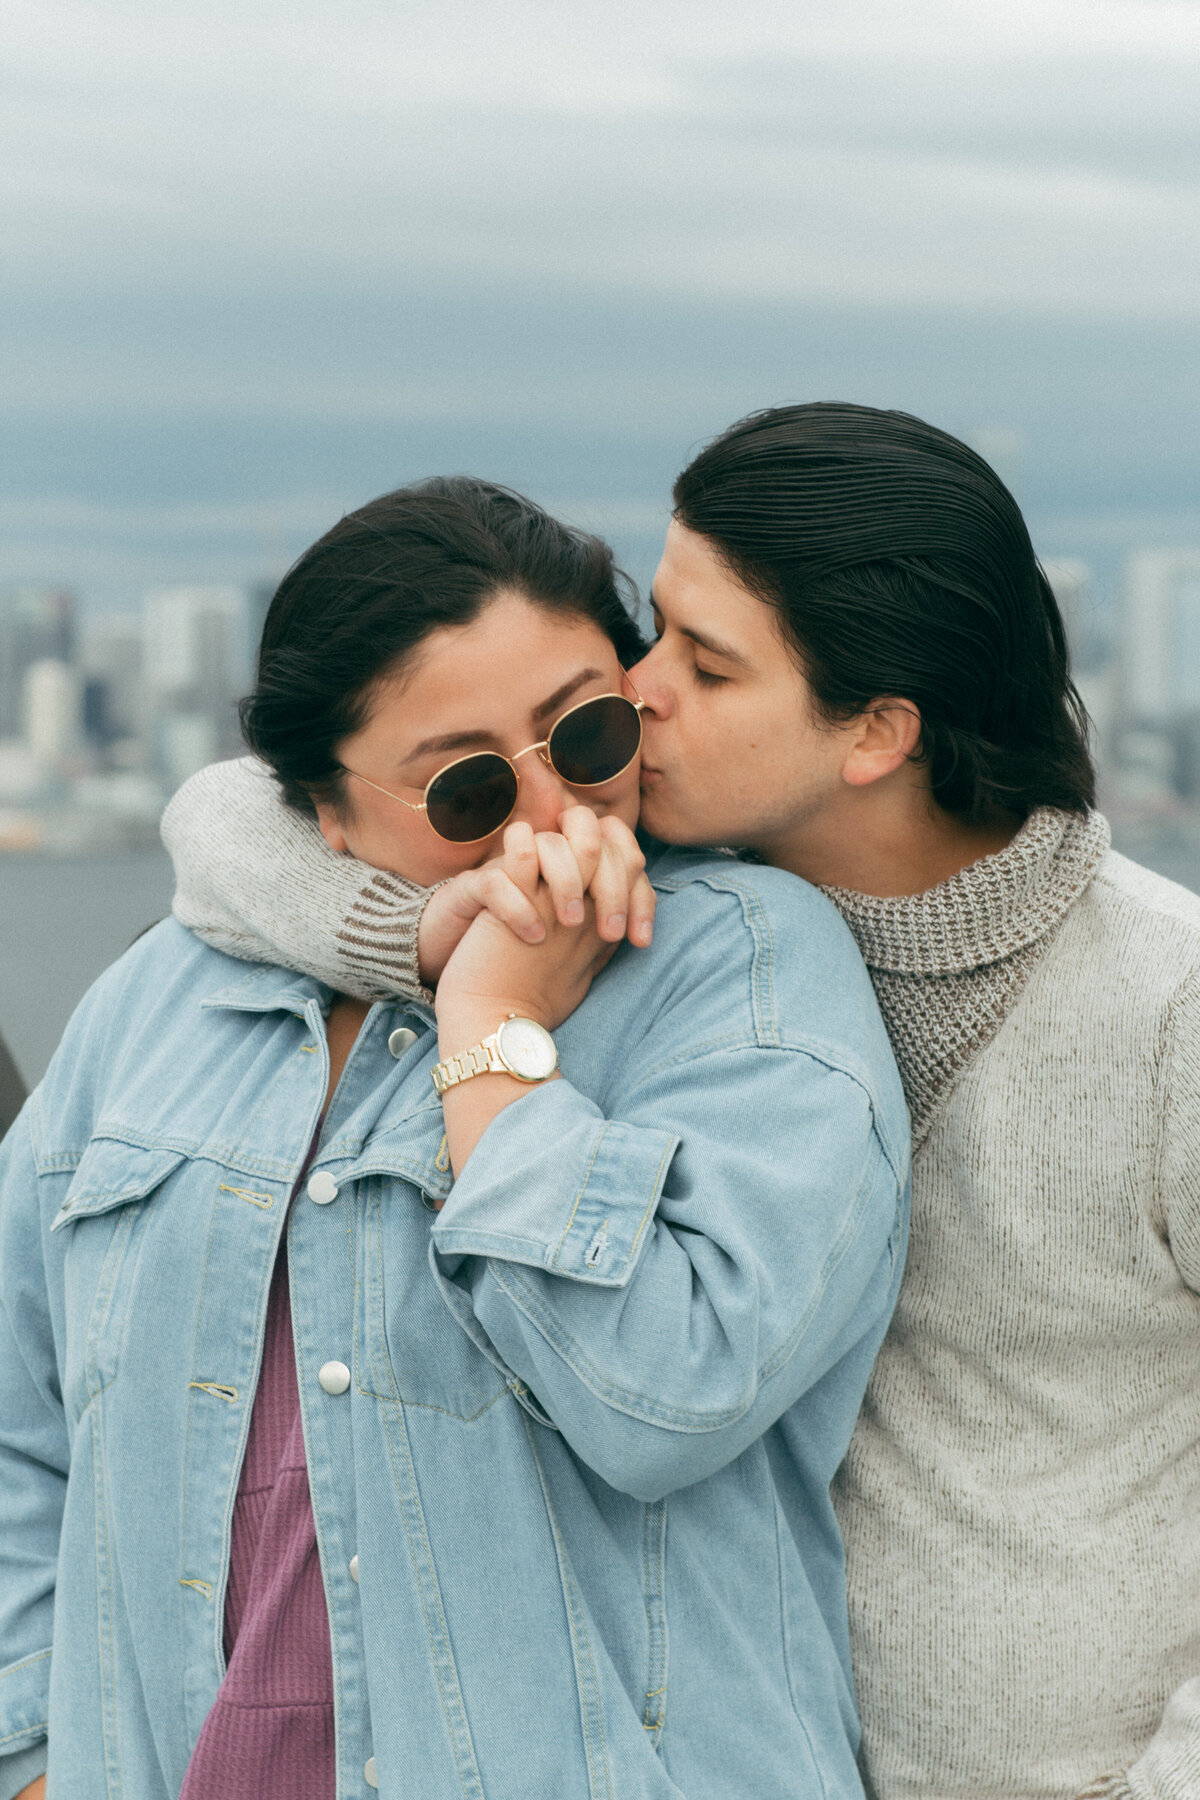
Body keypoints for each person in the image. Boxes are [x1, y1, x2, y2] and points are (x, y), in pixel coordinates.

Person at [166, 404, 1200, 1800]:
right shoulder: (630, 896)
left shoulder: (1168, 1010)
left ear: (877, 733)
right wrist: (420, 944)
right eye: (656, 628)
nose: (635, 692)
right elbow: (236, 816)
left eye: (704, 666)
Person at [0, 476, 908, 1800]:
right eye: (471, 784)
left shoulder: (749, 973)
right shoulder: (154, 1007)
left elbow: (663, 1395)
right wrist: (32, 1749)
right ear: (322, 809)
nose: (550, 817)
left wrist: (494, 1030)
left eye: (586, 735)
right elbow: (18, 1413)